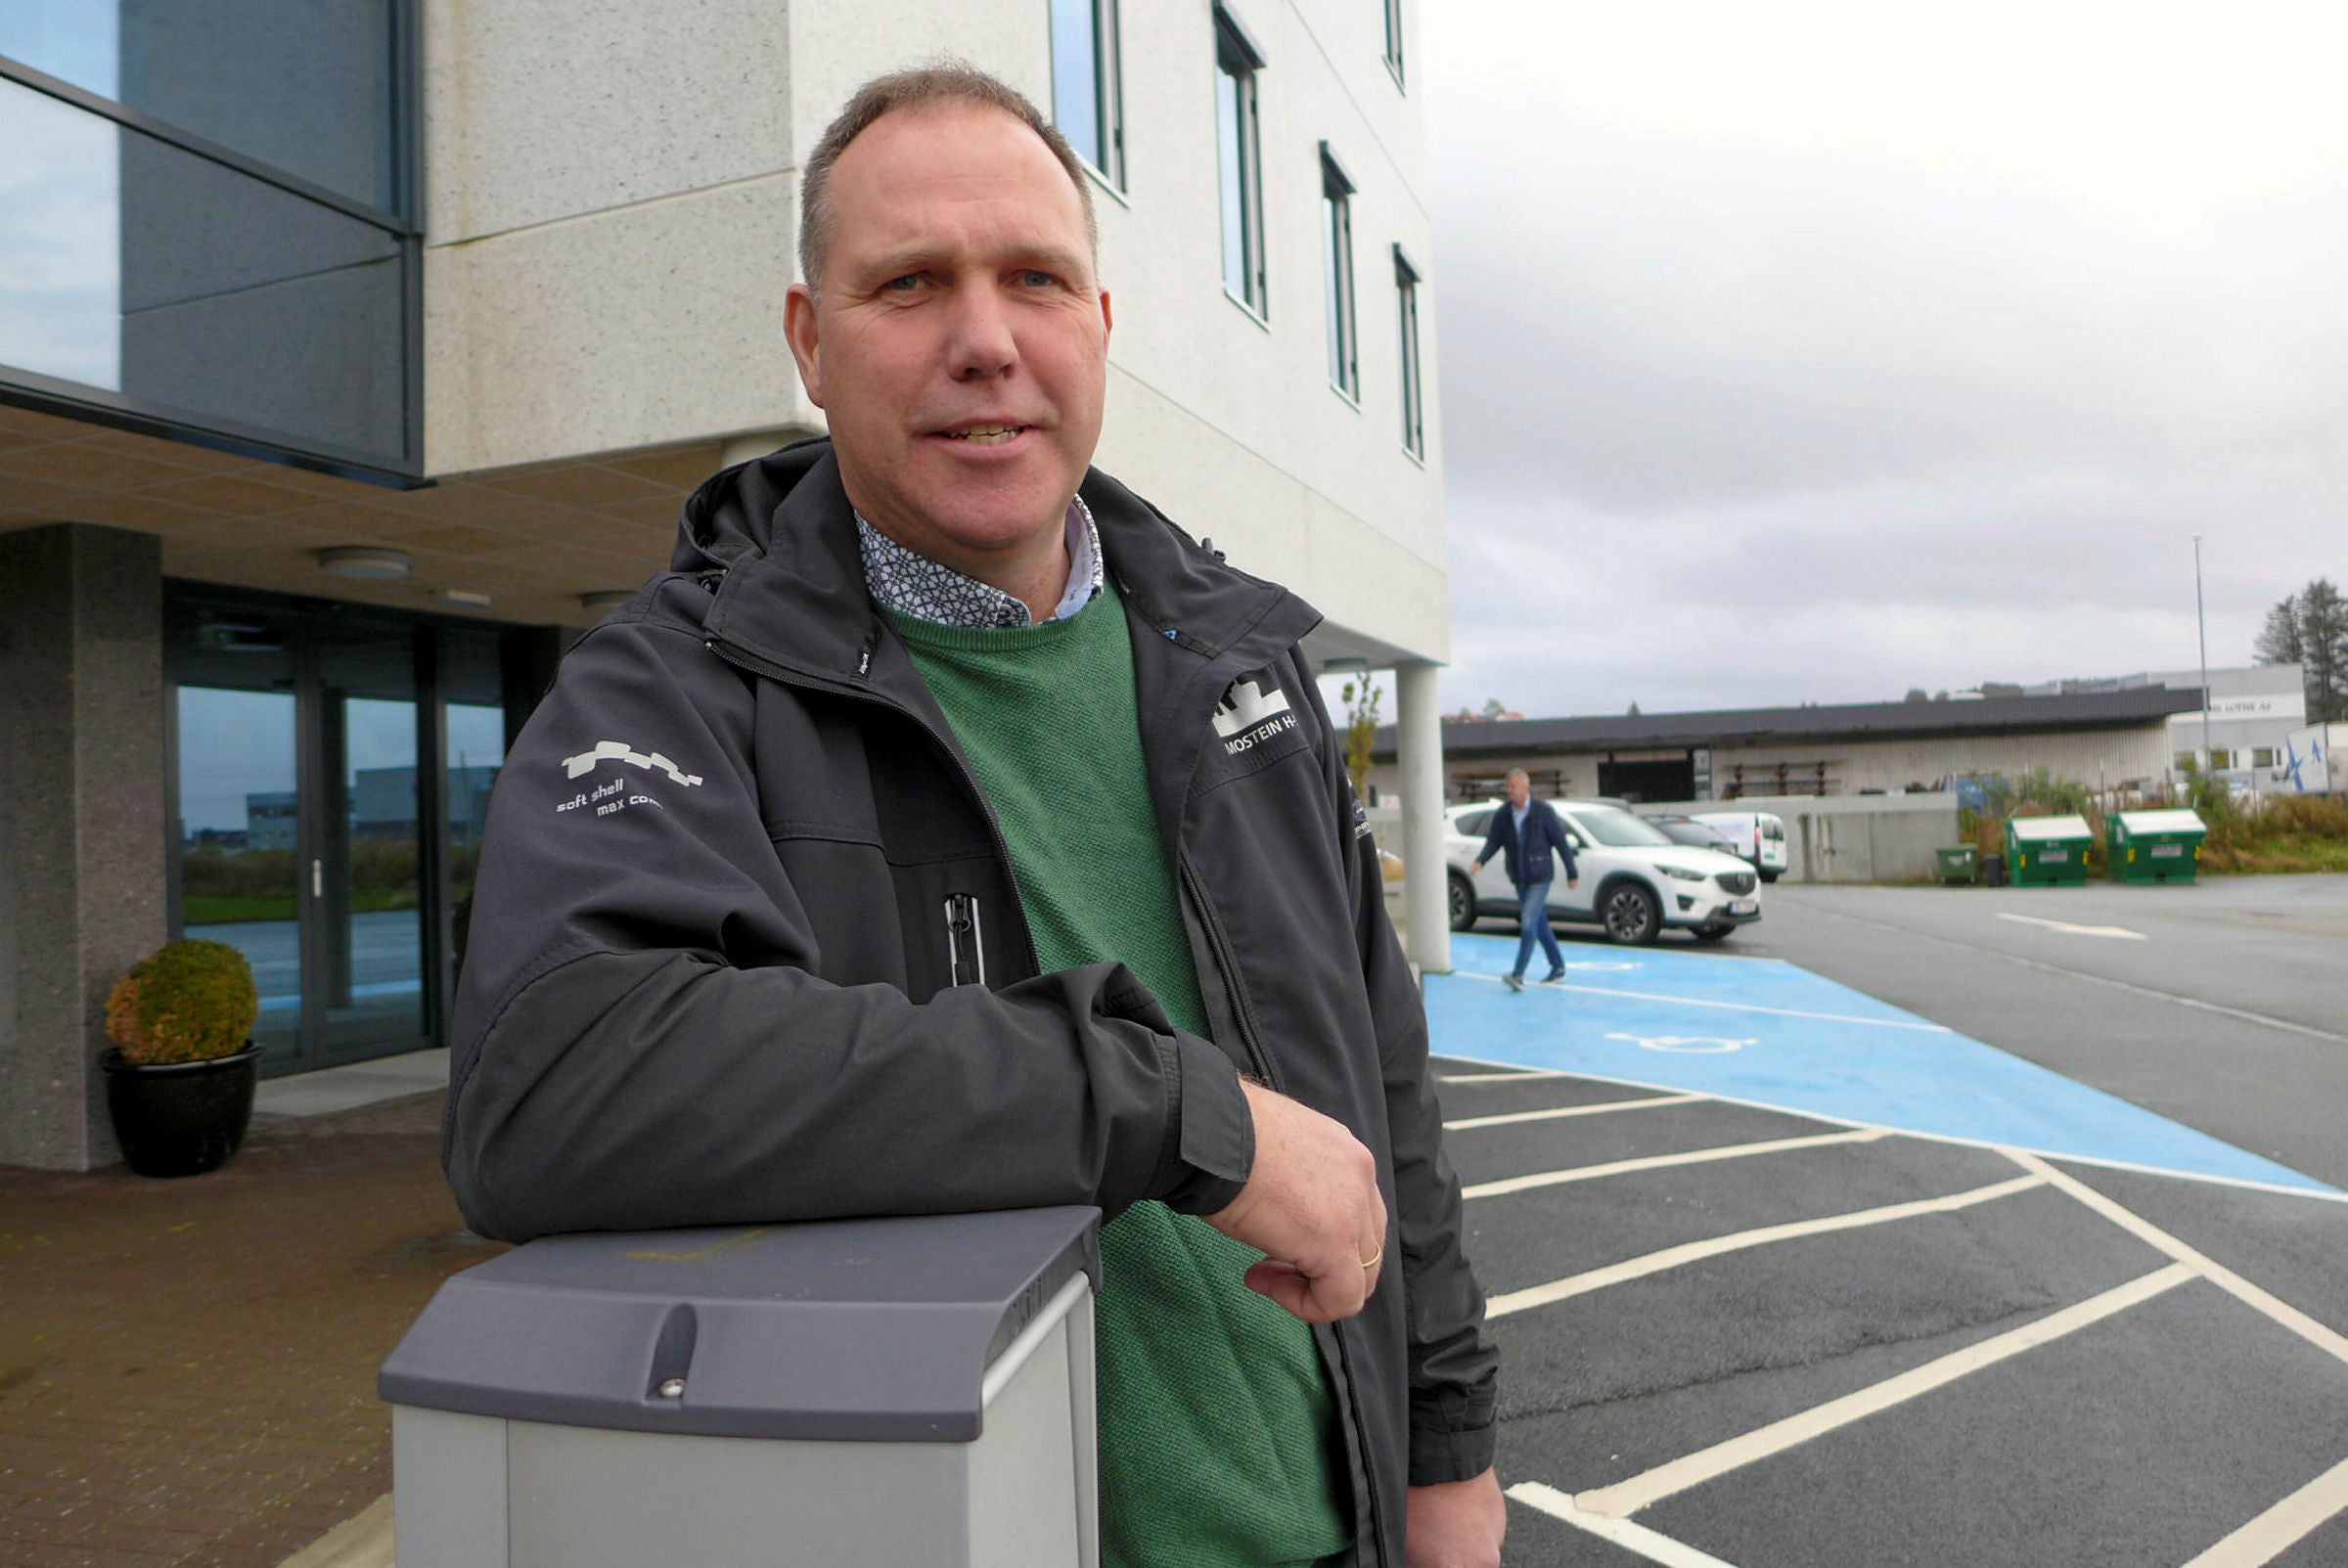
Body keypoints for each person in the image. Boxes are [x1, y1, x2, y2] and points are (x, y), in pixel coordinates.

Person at [441, 64, 1503, 1568]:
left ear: (1100, 324)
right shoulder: (674, 685)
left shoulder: (1241, 668)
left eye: (1035, 279)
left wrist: (1448, 1444)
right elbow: (550, 1079)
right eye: (910, 283)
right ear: (810, 340)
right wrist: (1168, 1110)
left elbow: (1382, 1078)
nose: (987, 340)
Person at [1469, 770, 1578, 992]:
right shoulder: (1504, 814)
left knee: (1528, 922)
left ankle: (1518, 974)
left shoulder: (1542, 811)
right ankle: (1558, 967)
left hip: (1540, 875)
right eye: (1508, 787)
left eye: (1514, 787)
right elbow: (1494, 841)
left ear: (1526, 788)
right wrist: (1480, 861)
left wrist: (1572, 872)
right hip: (1519, 876)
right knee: (1539, 923)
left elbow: (1560, 842)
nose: (1510, 791)